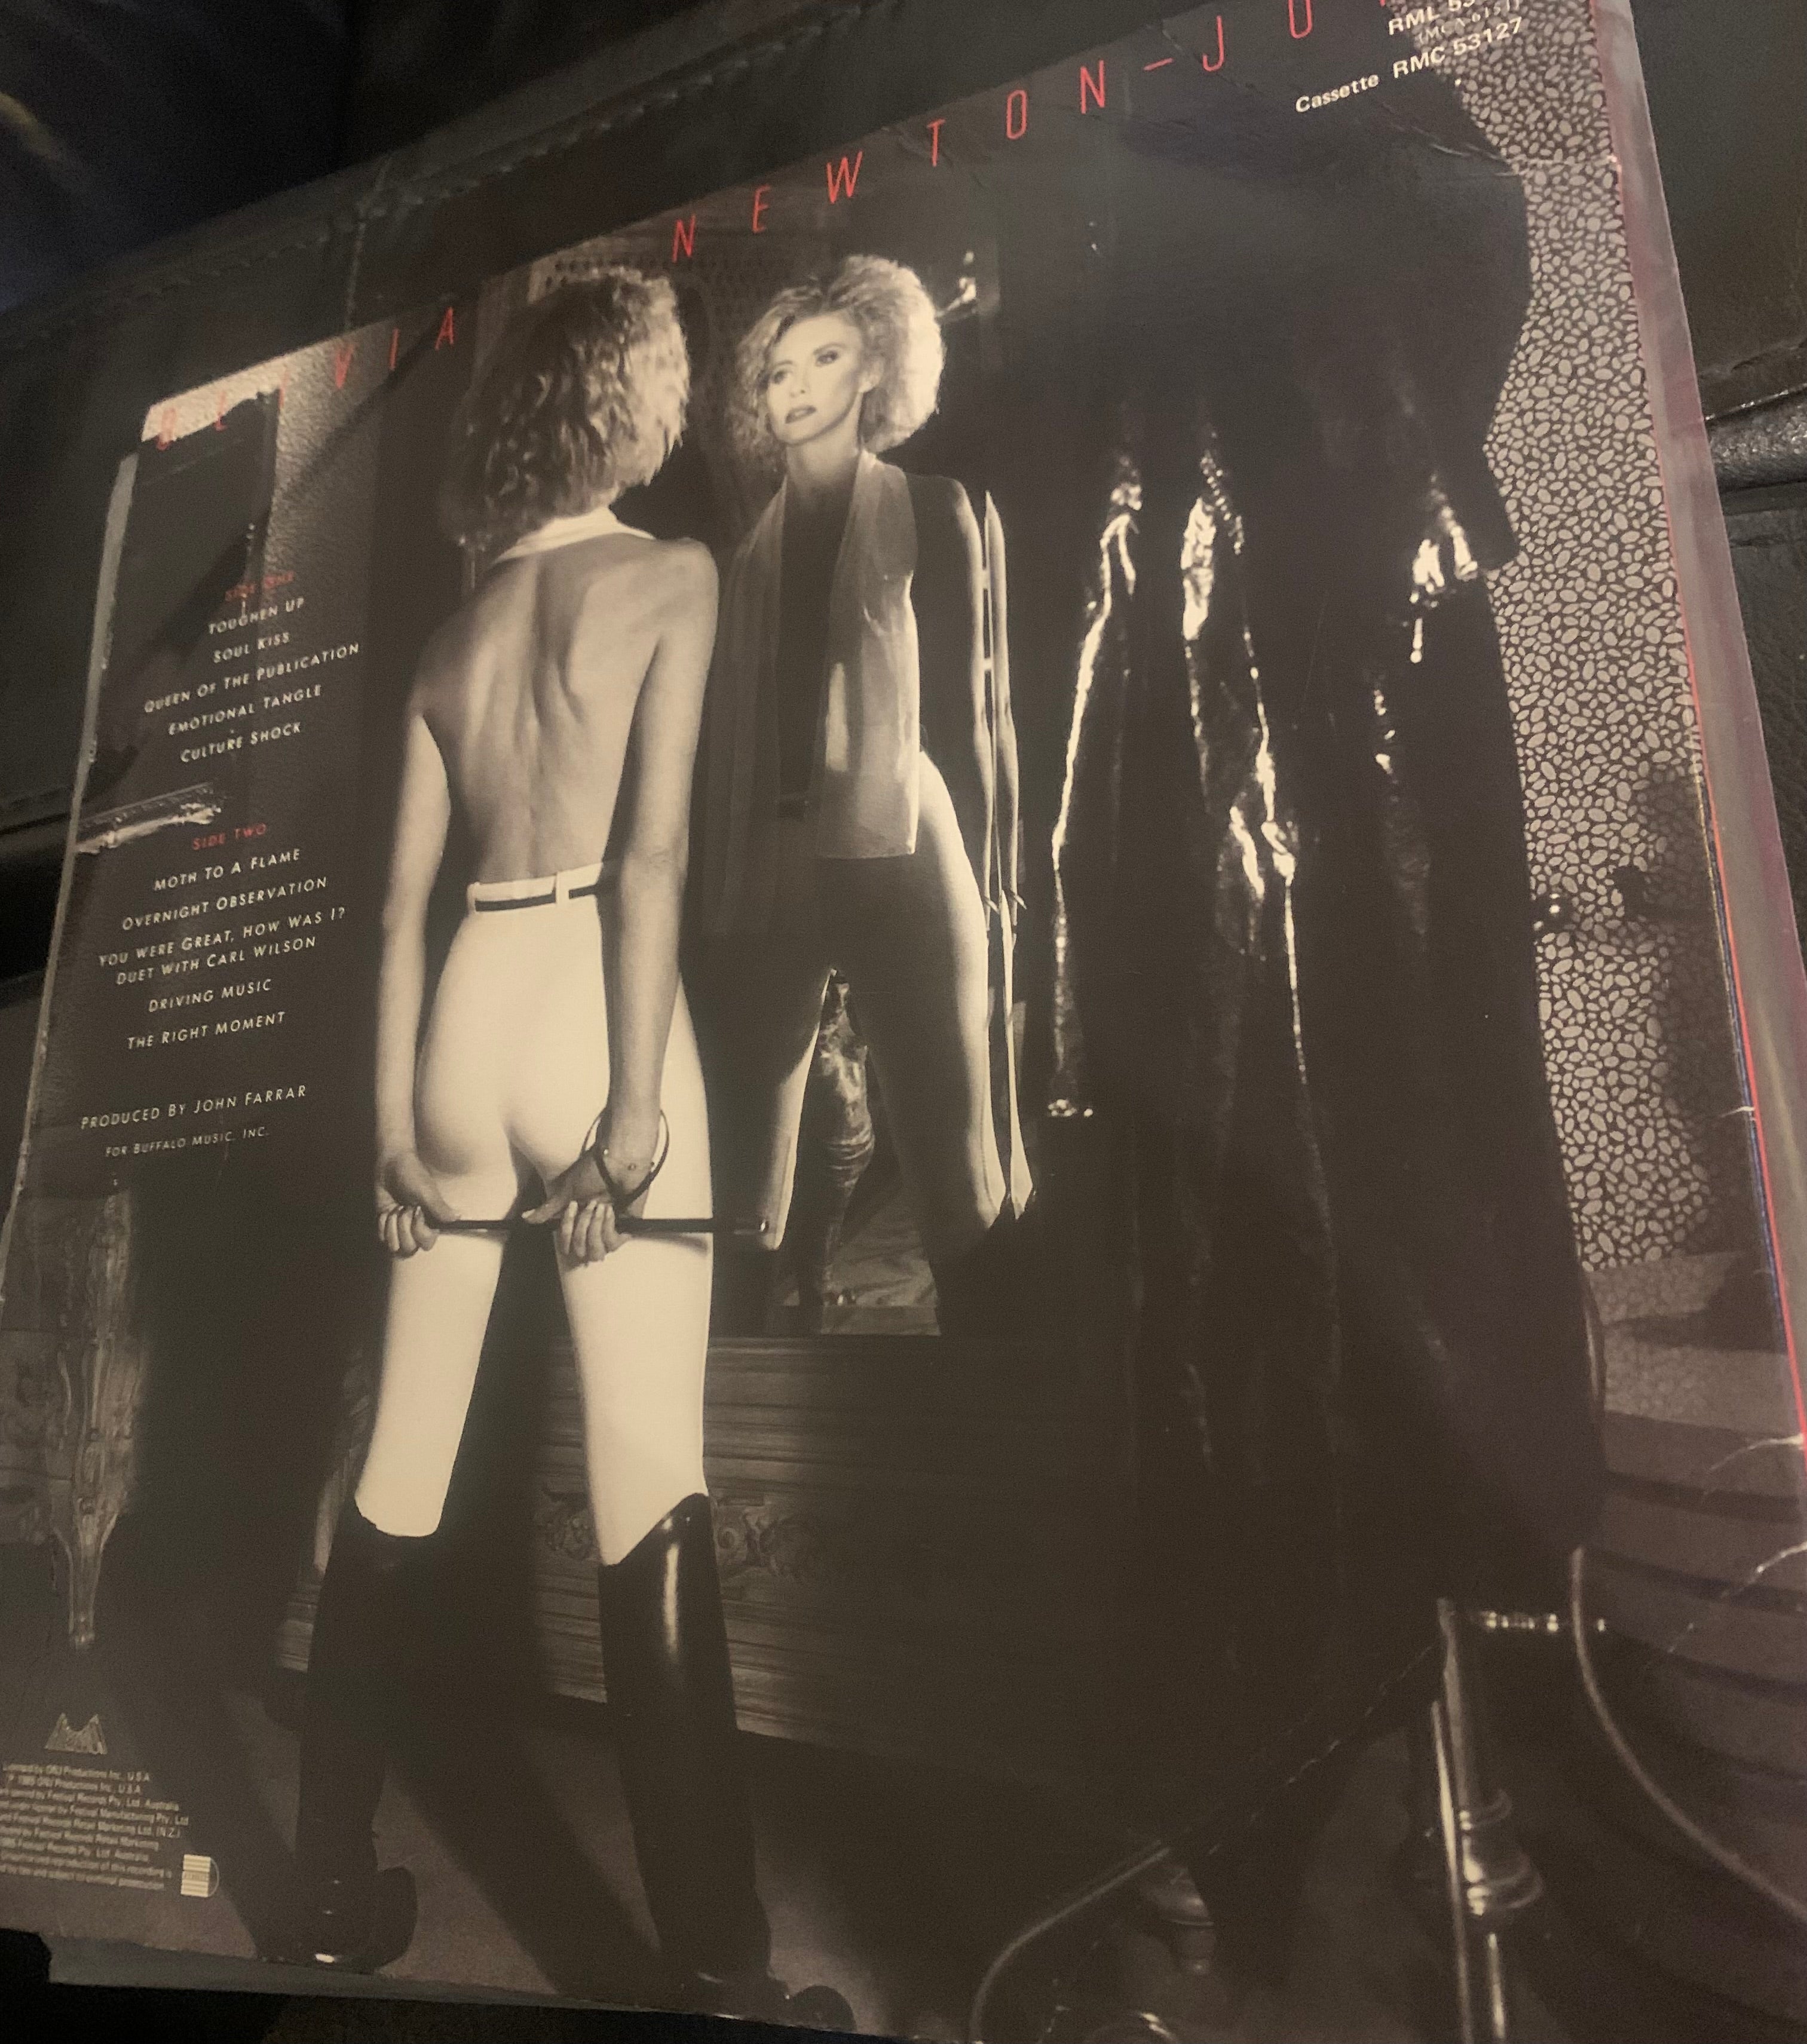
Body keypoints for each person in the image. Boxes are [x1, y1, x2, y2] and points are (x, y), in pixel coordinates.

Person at [289, 268, 846, 2024]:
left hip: (460, 1017)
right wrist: (633, 1113)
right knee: (649, 1481)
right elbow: (654, 856)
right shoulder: (671, 578)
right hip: (596, 1000)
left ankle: (325, 1895)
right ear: (634, 409)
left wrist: (392, 1129)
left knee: (398, 1472)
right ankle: (720, 1971)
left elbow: (394, 914)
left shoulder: (453, 640)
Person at [696, 253, 1025, 1334]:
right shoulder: (741, 555)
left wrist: (998, 891)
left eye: (826, 358)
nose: (796, 386)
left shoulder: (934, 507)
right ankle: (737, 1407)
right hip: (767, 855)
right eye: (779, 368)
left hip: (904, 841)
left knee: (957, 1167)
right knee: (742, 1192)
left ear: (877, 367)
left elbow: (977, 724)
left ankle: (987, 1388)